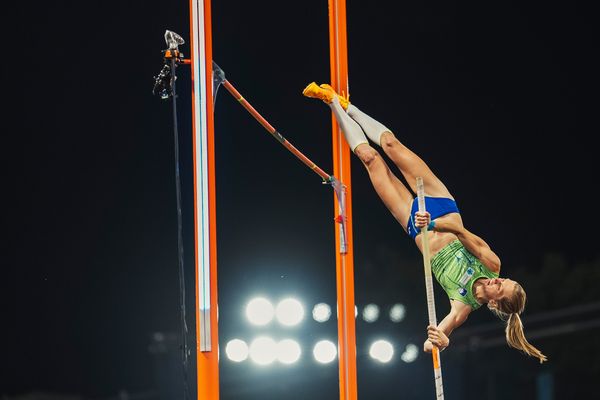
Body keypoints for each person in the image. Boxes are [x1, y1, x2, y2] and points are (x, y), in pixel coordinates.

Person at [302, 82, 547, 363]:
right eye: (506, 280)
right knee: (392, 145)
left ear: (494, 302)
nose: (499, 279)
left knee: (371, 159)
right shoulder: (492, 264)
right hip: (440, 206)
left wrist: (440, 342)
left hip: (414, 225)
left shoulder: (463, 304)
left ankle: (331, 101)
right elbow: (460, 231)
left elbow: (437, 336)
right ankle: (350, 108)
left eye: (501, 286)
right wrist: (433, 223)